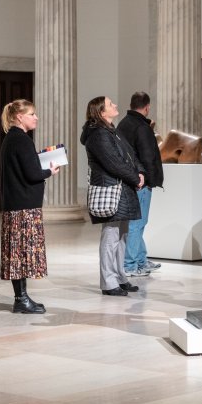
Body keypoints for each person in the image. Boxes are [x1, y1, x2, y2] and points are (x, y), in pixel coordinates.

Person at [0, 99, 60, 314]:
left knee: (18, 253)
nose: (36, 117)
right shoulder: (21, 140)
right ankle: (21, 299)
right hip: (23, 206)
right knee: (21, 253)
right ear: (19, 117)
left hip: (16, 204)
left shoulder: (11, 139)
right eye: (32, 114)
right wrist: (49, 171)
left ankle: (22, 297)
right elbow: (32, 174)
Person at [80, 96, 145, 296]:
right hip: (110, 189)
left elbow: (130, 154)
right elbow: (113, 163)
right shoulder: (98, 134)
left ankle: (119, 276)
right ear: (101, 112)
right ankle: (108, 282)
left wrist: (140, 172)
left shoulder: (111, 130)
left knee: (122, 236)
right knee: (110, 236)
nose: (115, 105)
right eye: (110, 104)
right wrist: (135, 178)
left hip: (123, 189)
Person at [116, 92, 164, 277]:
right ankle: (129, 265)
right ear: (147, 107)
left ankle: (141, 261)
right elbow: (147, 156)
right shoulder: (141, 127)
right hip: (141, 182)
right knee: (138, 223)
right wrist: (150, 180)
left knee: (136, 223)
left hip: (130, 179)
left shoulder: (123, 124)